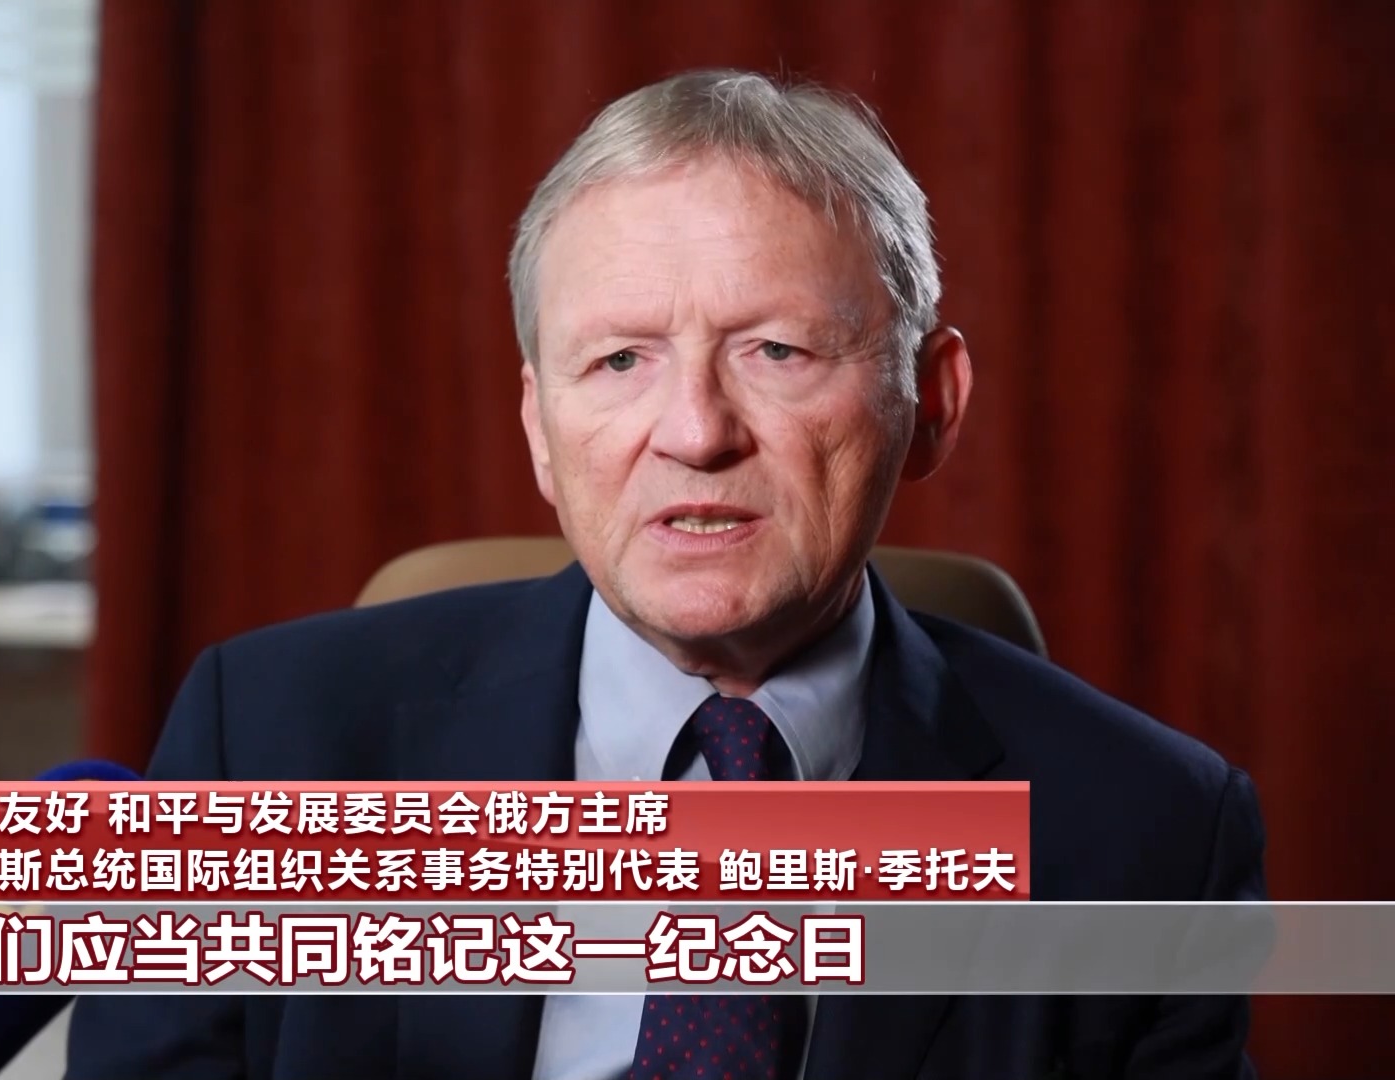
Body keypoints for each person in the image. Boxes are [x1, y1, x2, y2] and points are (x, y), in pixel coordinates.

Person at [66, 70, 1265, 1080]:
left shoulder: (1151, 833)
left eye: (777, 351)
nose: (695, 432)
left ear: (931, 403)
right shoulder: (260, 743)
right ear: (540, 429)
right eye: (620, 360)